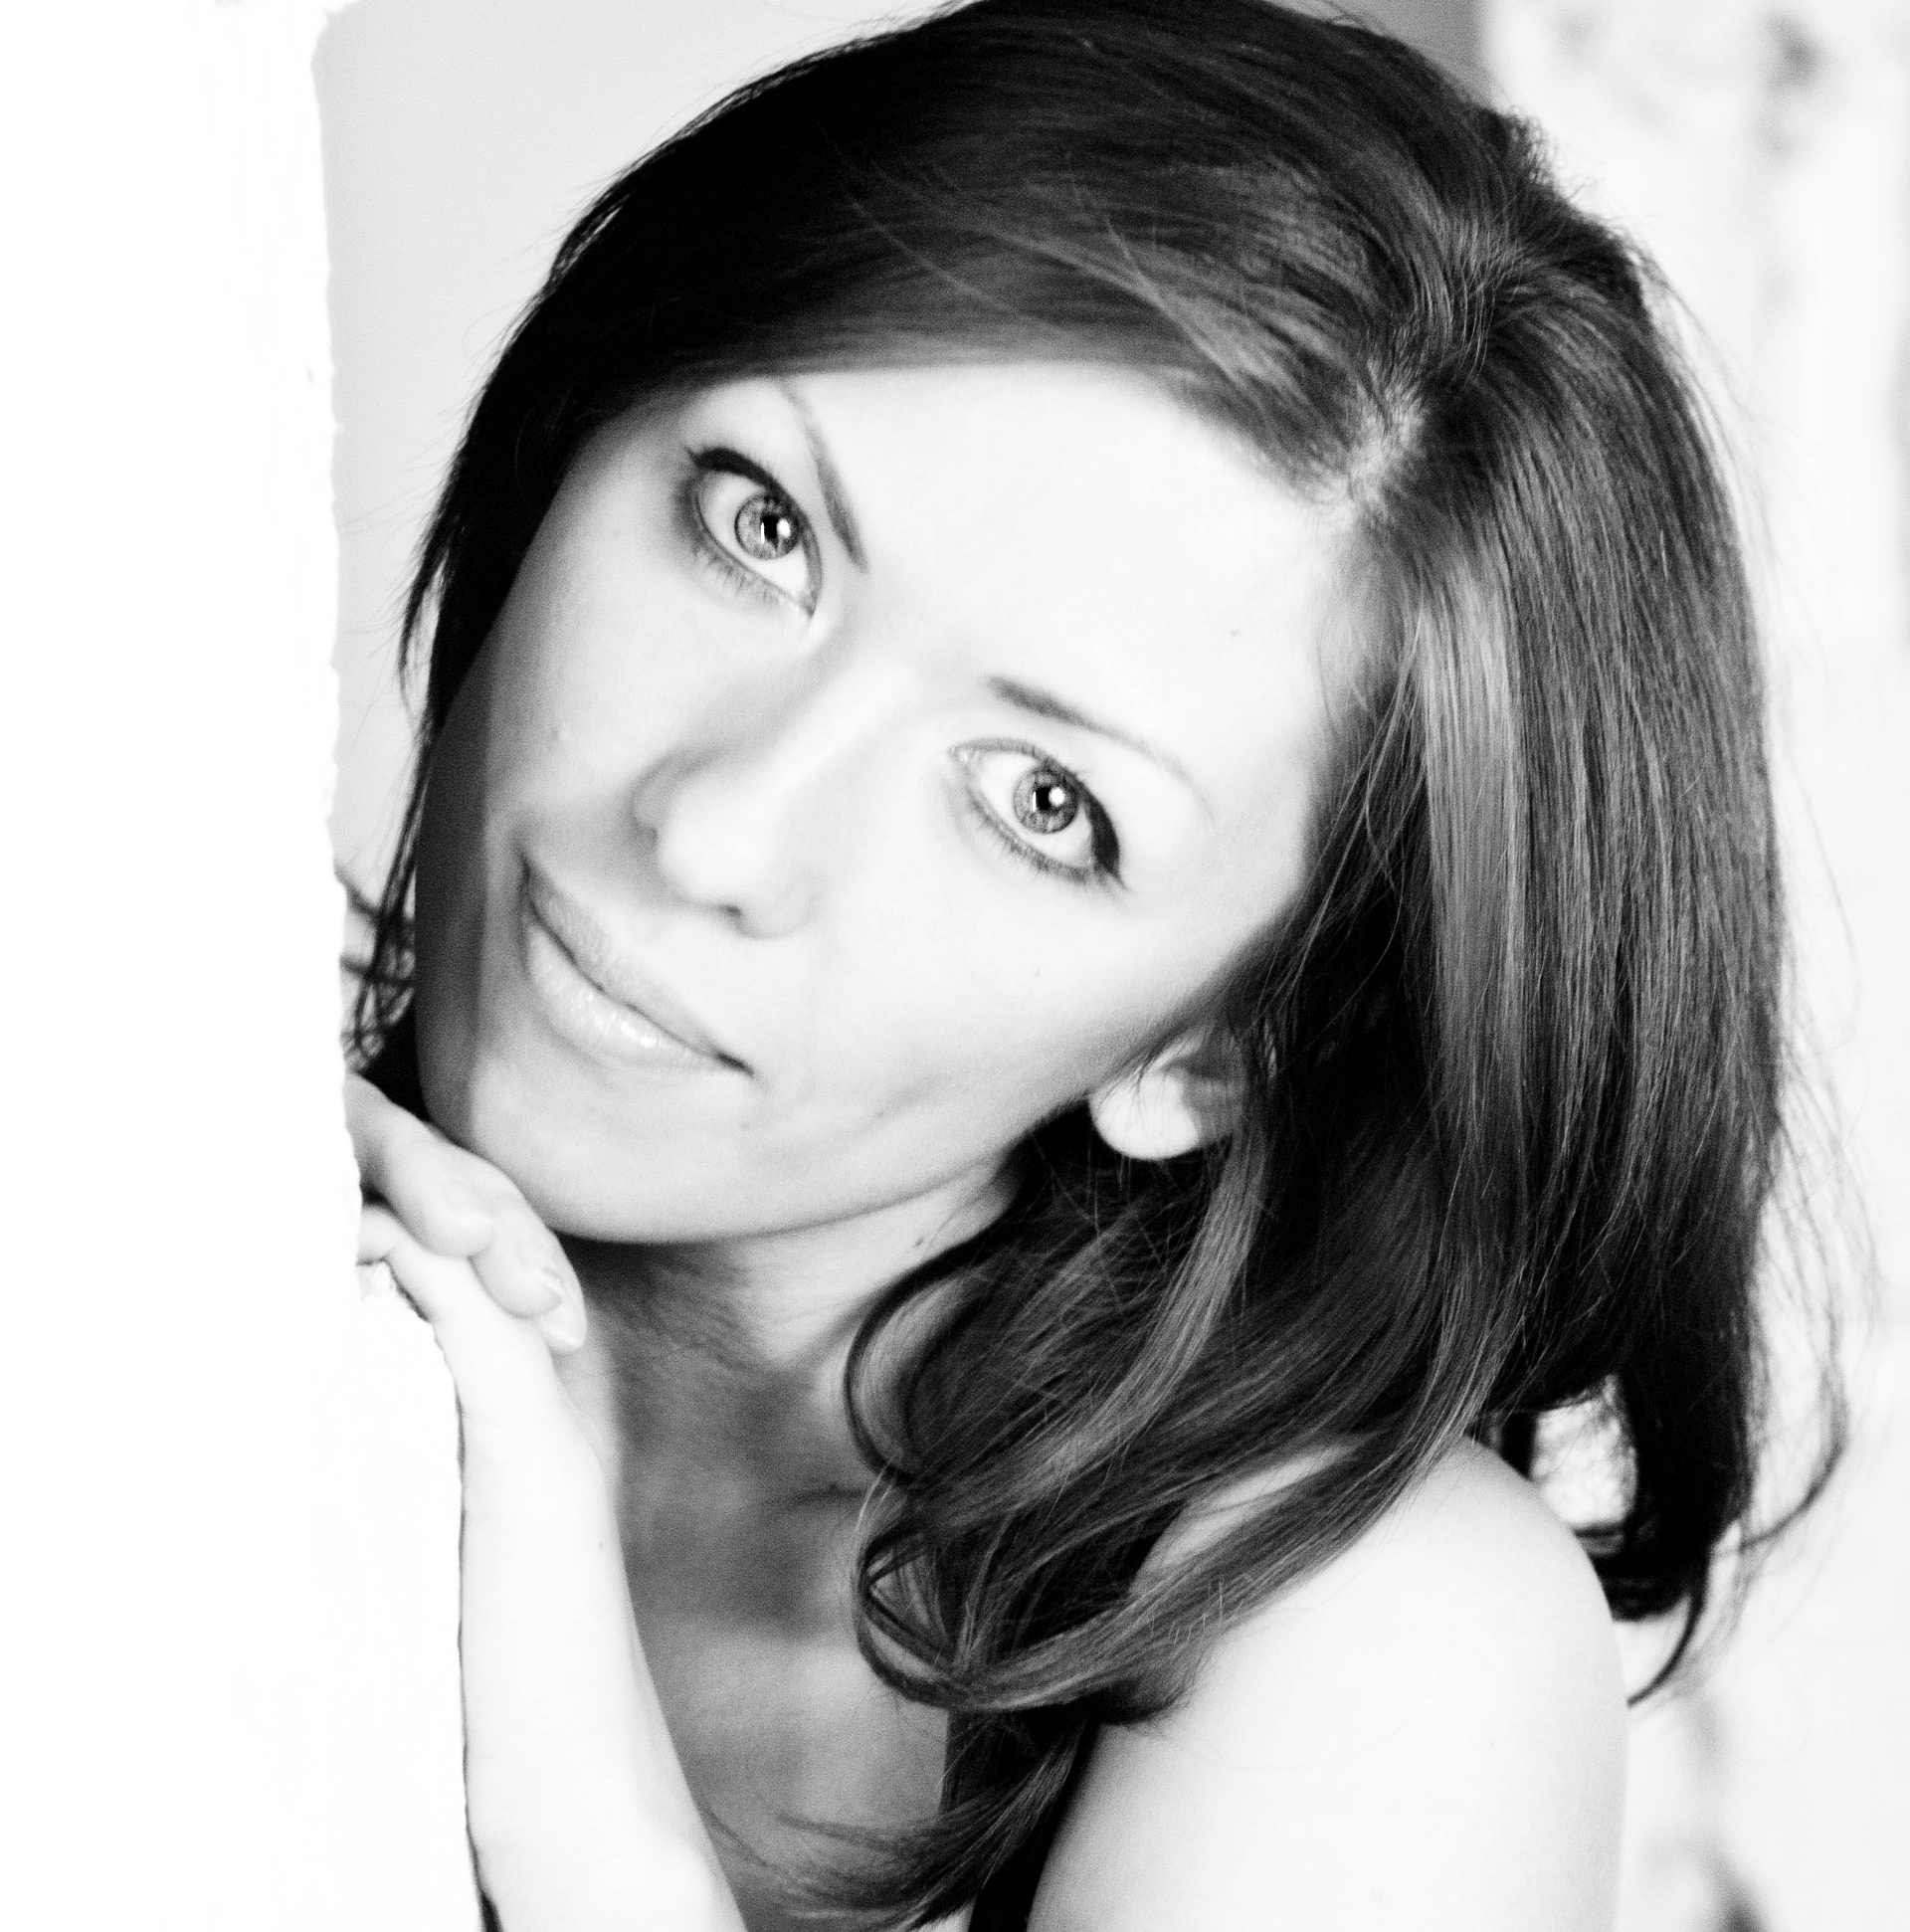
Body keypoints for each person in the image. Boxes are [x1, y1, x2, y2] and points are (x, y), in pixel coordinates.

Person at [342, 2, 1833, 1926]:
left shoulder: (1374, 1638)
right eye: (761, 528)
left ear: (1215, 1049)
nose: (715, 830)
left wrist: (584, 1819)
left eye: (1044, 803)